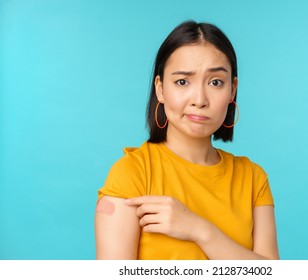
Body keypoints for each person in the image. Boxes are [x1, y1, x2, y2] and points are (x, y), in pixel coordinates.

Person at [94, 20, 279, 260]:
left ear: (232, 90)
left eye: (216, 82)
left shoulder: (253, 179)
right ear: (160, 89)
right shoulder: (132, 174)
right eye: (182, 81)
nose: (199, 99)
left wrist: (200, 231)